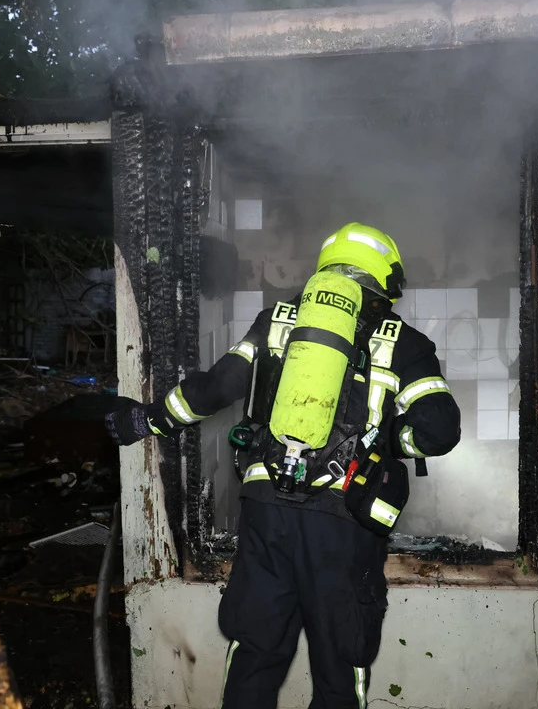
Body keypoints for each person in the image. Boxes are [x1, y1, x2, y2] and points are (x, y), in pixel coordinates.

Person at [106, 223, 461, 709]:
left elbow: (214, 390)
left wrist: (147, 420)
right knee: (339, 669)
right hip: (344, 522)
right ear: (384, 280)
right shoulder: (404, 343)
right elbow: (440, 431)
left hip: (267, 512)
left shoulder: (276, 320)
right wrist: (387, 443)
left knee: (255, 652)